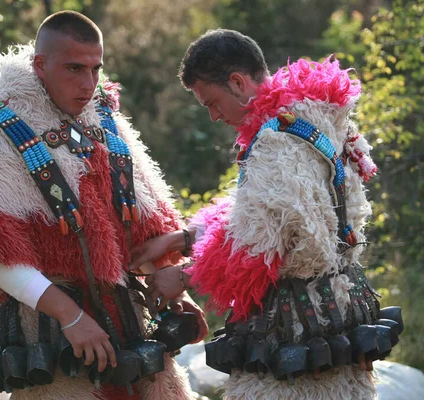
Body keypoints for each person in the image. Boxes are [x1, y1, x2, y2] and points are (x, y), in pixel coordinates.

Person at [0, 10, 207, 400]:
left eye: (95, 69)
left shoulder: (106, 119)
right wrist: (70, 316)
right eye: (74, 69)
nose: (88, 84)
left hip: (129, 325)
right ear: (40, 65)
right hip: (48, 337)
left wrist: (175, 289)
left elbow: (144, 230)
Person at [130, 29, 403, 400]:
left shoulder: (275, 142)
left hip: (296, 326)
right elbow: (267, 210)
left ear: (238, 83)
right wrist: (186, 238)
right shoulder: (313, 117)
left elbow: (275, 240)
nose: (212, 116)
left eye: (211, 102)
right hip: (339, 309)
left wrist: (184, 275)